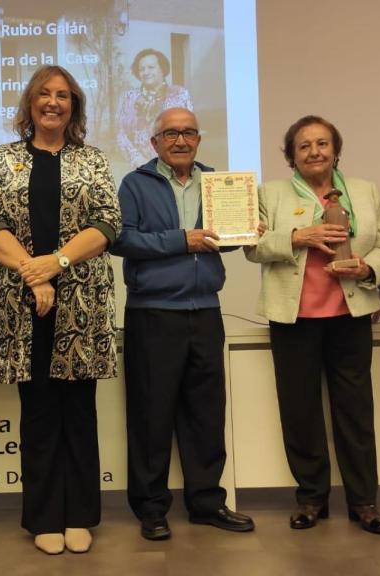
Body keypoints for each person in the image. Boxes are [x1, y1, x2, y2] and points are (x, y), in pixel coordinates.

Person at [0, 65, 121, 555]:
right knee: (37, 411)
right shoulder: (3, 159)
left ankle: (79, 513)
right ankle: (42, 516)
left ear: (74, 106)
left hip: (81, 303)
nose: (53, 102)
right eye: (44, 93)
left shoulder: (92, 160)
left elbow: (106, 223)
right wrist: (32, 274)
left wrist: (53, 265)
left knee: (79, 412)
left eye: (63, 95)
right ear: (30, 104)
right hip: (21, 304)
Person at [244, 115, 380, 534]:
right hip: (293, 319)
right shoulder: (269, 194)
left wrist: (369, 267)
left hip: (350, 316)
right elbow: (251, 247)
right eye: (305, 145)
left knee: (355, 413)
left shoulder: (365, 192)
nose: (315, 151)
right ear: (291, 156)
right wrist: (296, 236)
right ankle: (311, 499)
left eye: (322, 143)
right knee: (301, 412)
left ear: (336, 149)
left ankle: (364, 502)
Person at [111, 107, 254, 541]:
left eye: (188, 132)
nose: (180, 140)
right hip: (153, 314)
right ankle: (152, 509)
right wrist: (181, 240)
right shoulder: (135, 183)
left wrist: (243, 231)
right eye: (170, 133)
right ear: (154, 142)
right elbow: (120, 238)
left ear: (198, 139)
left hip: (206, 311)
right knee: (151, 417)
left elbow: (214, 243)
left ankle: (207, 503)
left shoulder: (217, 183)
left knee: (206, 416)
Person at [117, 48, 193, 168]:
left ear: (162, 69)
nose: (146, 72)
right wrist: (137, 159)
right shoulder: (129, 97)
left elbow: (189, 131)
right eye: (142, 69)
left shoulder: (180, 94)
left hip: (174, 166)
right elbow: (121, 134)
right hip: (141, 168)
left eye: (151, 67)